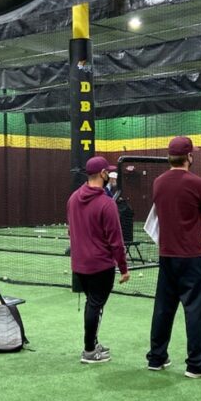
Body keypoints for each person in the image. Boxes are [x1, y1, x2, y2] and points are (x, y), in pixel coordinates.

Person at [147, 136, 201, 378]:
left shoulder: (158, 183)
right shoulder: (197, 183)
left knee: (163, 308)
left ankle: (156, 358)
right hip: (192, 257)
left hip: (167, 255)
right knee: (196, 310)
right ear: (188, 156)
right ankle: (196, 364)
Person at [67, 155, 130, 363]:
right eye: (107, 172)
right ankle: (88, 351)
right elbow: (116, 241)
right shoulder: (107, 203)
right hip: (100, 265)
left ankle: (93, 344)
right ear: (102, 174)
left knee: (92, 303)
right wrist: (123, 268)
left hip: (80, 265)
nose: (109, 174)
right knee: (95, 305)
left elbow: (71, 232)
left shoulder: (73, 198)